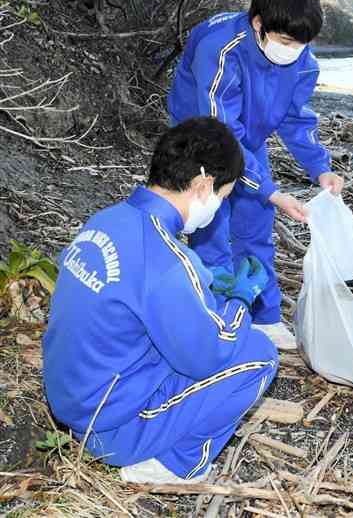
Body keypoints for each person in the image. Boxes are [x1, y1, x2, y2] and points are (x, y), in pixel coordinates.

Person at [43, 118, 278, 484]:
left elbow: (136, 289)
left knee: (190, 323)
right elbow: (212, 355)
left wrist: (205, 280)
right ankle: (173, 466)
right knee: (259, 352)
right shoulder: (168, 262)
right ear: (202, 186)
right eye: (224, 195)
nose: (219, 205)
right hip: (112, 430)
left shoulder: (106, 220)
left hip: (72, 398)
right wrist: (240, 300)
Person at [167, 0, 344, 347]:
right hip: (202, 136)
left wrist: (320, 167)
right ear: (259, 24)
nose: (293, 51)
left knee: (256, 227)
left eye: (302, 44)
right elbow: (220, 131)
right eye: (285, 42)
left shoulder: (302, 60)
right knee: (211, 225)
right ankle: (216, 316)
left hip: (249, 137)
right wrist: (270, 190)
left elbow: (296, 119)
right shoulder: (221, 47)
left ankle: (263, 315)